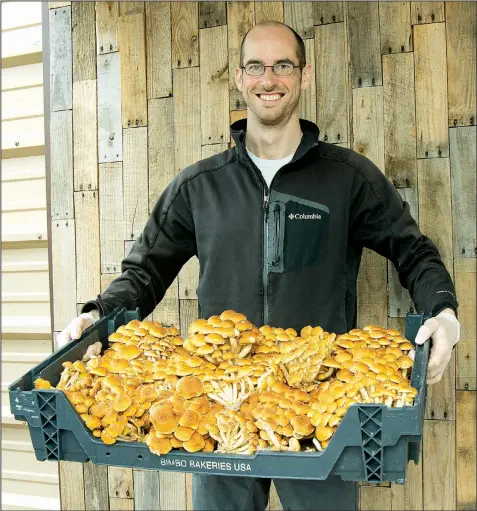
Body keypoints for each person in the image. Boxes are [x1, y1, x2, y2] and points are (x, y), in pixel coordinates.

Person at [57, 21, 460, 511]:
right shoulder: (200, 186)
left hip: (316, 419)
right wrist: (100, 313)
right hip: (217, 417)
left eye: (283, 65)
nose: (269, 79)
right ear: (240, 78)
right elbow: (144, 272)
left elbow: (412, 250)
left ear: (305, 76)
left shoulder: (348, 178)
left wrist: (442, 312)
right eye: (256, 66)